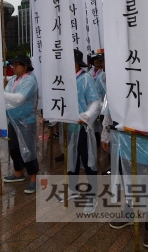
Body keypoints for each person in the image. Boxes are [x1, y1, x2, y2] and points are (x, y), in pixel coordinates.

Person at [103, 92, 148, 249]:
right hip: (121, 144)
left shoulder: (146, 86)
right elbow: (109, 112)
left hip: (143, 145)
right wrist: (105, 135)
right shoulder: (117, 85)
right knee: (127, 181)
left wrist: (136, 121)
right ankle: (130, 213)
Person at [65, 49, 101, 213]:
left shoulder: (85, 78)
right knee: (72, 157)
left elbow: (95, 103)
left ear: (76, 64)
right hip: (70, 126)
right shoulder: (64, 80)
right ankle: (73, 188)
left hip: (83, 127)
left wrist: (86, 116)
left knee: (88, 160)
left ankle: (92, 195)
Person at [2, 55, 40, 194]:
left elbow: (20, 99)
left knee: (28, 150)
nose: (14, 67)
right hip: (13, 120)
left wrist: (1, 94)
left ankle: (34, 178)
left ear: (25, 66)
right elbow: (7, 94)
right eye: (13, 65)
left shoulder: (30, 81)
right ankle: (18, 172)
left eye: (17, 65)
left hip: (25, 122)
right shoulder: (13, 80)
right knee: (13, 147)